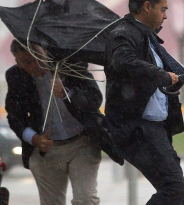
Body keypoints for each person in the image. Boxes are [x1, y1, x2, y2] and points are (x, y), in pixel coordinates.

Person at [104, 0, 184, 205]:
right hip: (137, 129)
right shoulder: (123, 33)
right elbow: (124, 61)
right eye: (163, 9)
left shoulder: (147, 37)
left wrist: (171, 82)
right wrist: (161, 75)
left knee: (174, 190)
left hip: (153, 130)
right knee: (174, 191)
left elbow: (145, 80)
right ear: (147, 6)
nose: (165, 16)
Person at [5, 40, 116, 205]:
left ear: (45, 52)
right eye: (28, 62)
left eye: (38, 57)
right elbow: (14, 116)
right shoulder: (16, 76)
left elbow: (94, 98)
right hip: (46, 150)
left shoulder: (69, 63)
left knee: (86, 199)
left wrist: (66, 93)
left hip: (81, 143)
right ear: (18, 63)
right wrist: (33, 138)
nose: (36, 65)